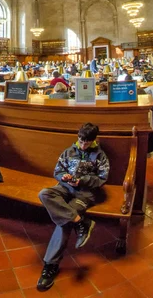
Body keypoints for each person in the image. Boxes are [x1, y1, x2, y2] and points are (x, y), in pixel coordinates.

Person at [37, 123, 109, 292]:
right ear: (78, 136)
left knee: (65, 221)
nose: (83, 144)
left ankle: (50, 265)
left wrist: (82, 180)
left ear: (93, 141)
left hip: (84, 194)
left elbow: (102, 178)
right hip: (65, 188)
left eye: (87, 142)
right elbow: (57, 171)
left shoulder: (100, 155)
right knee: (44, 194)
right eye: (81, 140)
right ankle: (81, 222)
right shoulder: (69, 151)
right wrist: (66, 177)